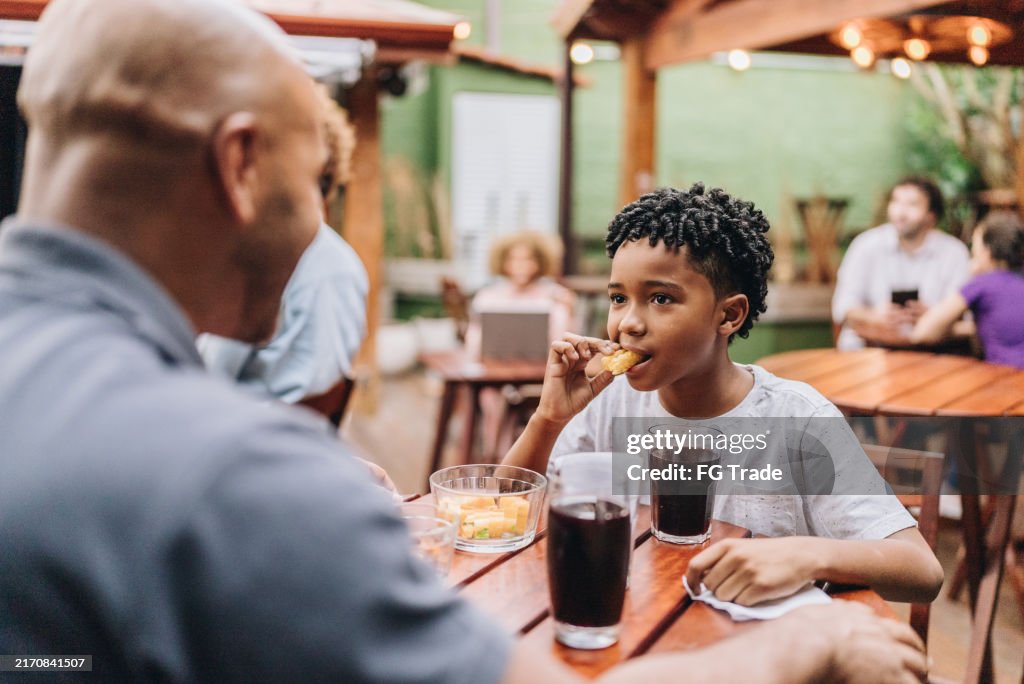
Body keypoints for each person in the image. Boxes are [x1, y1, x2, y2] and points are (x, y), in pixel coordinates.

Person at [0, 1, 929, 682]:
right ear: (242, 166)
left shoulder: (789, 422)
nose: (321, 235)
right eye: (320, 183)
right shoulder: (226, 472)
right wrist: (809, 646)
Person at [504, 184, 944, 607]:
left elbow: (921, 571)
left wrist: (806, 554)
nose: (627, 324)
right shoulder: (610, 402)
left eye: (660, 298)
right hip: (640, 629)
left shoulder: (796, 419)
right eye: (619, 298)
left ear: (729, 314)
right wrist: (548, 419)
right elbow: (503, 514)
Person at [197, 87, 368, 403]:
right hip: (308, 437)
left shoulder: (268, 259)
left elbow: (206, 379)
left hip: (247, 437)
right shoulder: (345, 262)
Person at [832, 176, 970, 350]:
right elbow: (843, 308)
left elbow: (963, 315)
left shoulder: (954, 252)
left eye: (912, 204)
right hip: (869, 350)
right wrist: (875, 316)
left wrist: (933, 317)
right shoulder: (865, 245)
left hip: (930, 350)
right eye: (896, 202)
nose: (900, 212)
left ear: (931, 216)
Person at [909, 212, 1024, 367]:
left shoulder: (982, 284)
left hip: (1009, 380)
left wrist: (971, 277)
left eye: (974, 247)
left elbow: (923, 333)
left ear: (986, 252)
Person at [464, 229, 576, 357]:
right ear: (503, 262)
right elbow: (473, 340)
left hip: (542, 367)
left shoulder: (556, 295)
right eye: (513, 259)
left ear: (540, 262)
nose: (521, 266)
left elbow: (564, 340)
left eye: (528, 259)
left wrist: (570, 311)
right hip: (495, 366)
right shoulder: (487, 296)